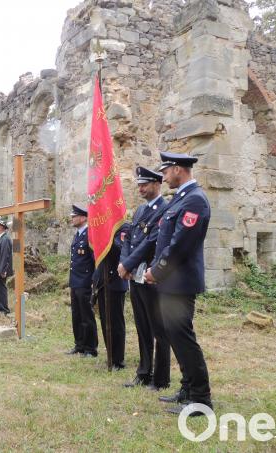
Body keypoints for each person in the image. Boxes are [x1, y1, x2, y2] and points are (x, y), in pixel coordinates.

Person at [144, 152, 212, 416]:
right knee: (175, 336)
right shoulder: (181, 199)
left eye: (166, 171)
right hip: (171, 283)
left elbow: (179, 246)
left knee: (184, 339)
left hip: (180, 283)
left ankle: (201, 400)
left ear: (178, 170)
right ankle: (187, 389)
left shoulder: (195, 200)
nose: (163, 176)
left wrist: (156, 272)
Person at [119, 166, 171, 391]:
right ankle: (143, 372)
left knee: (159, 328)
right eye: (139, 185)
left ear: (157, 184)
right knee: (142, 326)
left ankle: (160, 378)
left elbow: (151, 242)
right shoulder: (140, 210)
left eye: (145, 184)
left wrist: (128, 263)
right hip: (134, 275)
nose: (140, 188)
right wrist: (124, 263)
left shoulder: (164, 209)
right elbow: (128, 238)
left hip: (152, 275)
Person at [92, 222, 131, 369]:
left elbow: (121, 250)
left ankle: (118, 359)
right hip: (102, 282)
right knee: (104, 321)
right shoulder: (103, 226)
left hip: (115, 281)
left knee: (116, 322)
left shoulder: (123, 227)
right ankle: (110, 355)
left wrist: (107, 236)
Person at [66, 204, 98, 358]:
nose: (72, 218)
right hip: (75, 281)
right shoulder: (78, 234)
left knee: (87, 316)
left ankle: (90, 348)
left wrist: (93, 281)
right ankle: (79, 345)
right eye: (72, 216)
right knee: (76, 315)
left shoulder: (90, 234)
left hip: (85, 281)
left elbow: (94, 260)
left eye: (75, 216)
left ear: (84, 217)